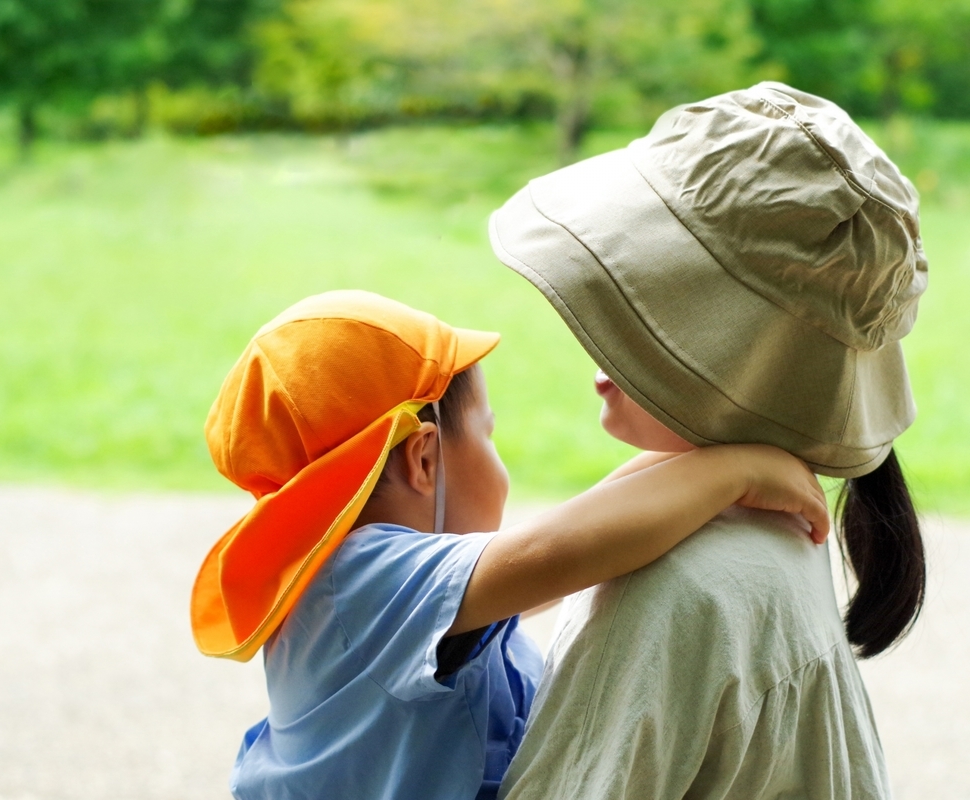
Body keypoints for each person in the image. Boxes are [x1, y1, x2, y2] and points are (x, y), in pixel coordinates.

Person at [190, 289, 830, 799]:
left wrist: (699, 462)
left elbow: (586, 531)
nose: (500, 463)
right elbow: (559, 551)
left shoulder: (362, 588)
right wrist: (735, 473)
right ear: (423, 460)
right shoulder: (362, 579)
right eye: (487, 435)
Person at [488, 82, 928, 798]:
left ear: (751, 357)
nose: (600, 347)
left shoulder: (674, 584)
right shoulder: (770, 521)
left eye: (650, 313)